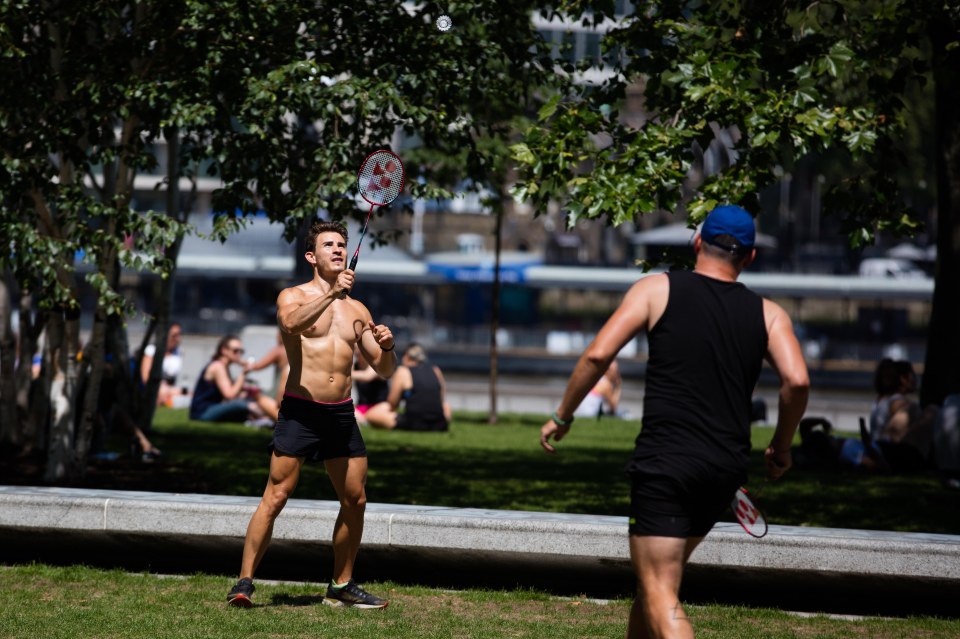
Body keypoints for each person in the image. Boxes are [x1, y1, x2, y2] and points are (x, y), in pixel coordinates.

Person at [539, 205, 809, 639]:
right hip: (724, 470)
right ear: (750, 257)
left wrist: (562, 415)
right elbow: (796, 381)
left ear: (697, 242)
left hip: (666, 466)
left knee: (660, 589)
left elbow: (596, 355)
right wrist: (782, 445)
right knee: (654, 586)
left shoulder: (655, 290)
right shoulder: (770, 314)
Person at [227, 220, 397, 609]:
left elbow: (382, 370)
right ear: (311, 256)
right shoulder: (293, 296)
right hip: (301, 411)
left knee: (356, 500)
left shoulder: (357, 308)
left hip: (341, 414)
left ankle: (342, 584)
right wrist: (331, 295)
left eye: (342, 245)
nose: (338, 250)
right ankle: (244, 582)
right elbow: (290, 324)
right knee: (276, 495)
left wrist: (388, 347)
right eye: (329, 245)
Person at [363, 343, 451, 431]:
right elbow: (441, 400)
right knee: (446, 406)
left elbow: (393, 404)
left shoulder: (403, 371)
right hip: (440, 424)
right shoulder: (436, 370)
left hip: (413, 423)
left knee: (371, 415)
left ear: (406, 356)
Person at [189, 335, 272, 425]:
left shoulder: (223, 366)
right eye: (235, 351)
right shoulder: (218, 366)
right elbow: (229, 395)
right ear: (224, 350)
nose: (239, 354)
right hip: (202, 412)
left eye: (241, 351)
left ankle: (264, 419)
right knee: (242, 404)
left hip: (210, 409)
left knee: (245, 403)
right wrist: (243, 374)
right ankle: (270, 419)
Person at [140, 322, 187, 407]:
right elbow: (146, 378)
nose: (177, 339)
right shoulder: (151, 351)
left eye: (179, 335)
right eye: (174, 335)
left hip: (171, 390)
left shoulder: (179, 352)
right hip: (155, 389)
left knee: (187, 394)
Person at [246, 330, 289, 422]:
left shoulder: (279, 350)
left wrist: (245, 364)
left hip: (280, 387)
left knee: (259, 397)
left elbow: (258, 366)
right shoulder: (297, 350)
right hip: (294, 389)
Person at [351, 346, 389, 426]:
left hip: (380, 406)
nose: (357, 351)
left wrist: (342, 374)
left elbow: (367, 376)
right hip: (362, 407)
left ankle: (365, 420)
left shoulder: (375, 365)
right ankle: (365, 420)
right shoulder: (355, 366)